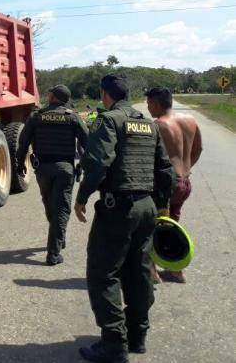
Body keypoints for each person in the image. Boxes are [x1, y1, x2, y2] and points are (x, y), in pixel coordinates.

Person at [74, 74, 175, 363]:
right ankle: (137, 336)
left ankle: (114, 345)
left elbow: (97, 163)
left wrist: (82, 198)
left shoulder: (109, 120)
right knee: (139, 271)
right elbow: (165, 169)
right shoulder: (148, 124)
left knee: (104, 273)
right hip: (147, 207)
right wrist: (162, 206)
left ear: (105, 94)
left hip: (118, 208)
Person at [16, 84, 88, 265]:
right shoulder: (73, 117)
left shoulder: (36, 116)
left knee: (50, 206)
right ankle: (54, 251)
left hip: (42, 169)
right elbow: (89, 144)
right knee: (61, 209)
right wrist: (84, 165)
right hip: (65, 169)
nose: (47, 95)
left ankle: (56, 244)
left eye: (49, 93)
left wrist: (19, 164)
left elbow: (23, 142)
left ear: (54, 97)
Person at [145, 86, 202, 283]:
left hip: (165, 185)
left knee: (152, 225)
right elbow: (198, 149)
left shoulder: (158, 125)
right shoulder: (190, 121)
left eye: (148, 104)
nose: (148, 108)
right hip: (185, 183)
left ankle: (152, 271)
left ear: (155, 103)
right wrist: (184, 171)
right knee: (172, 227)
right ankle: (176, 270)